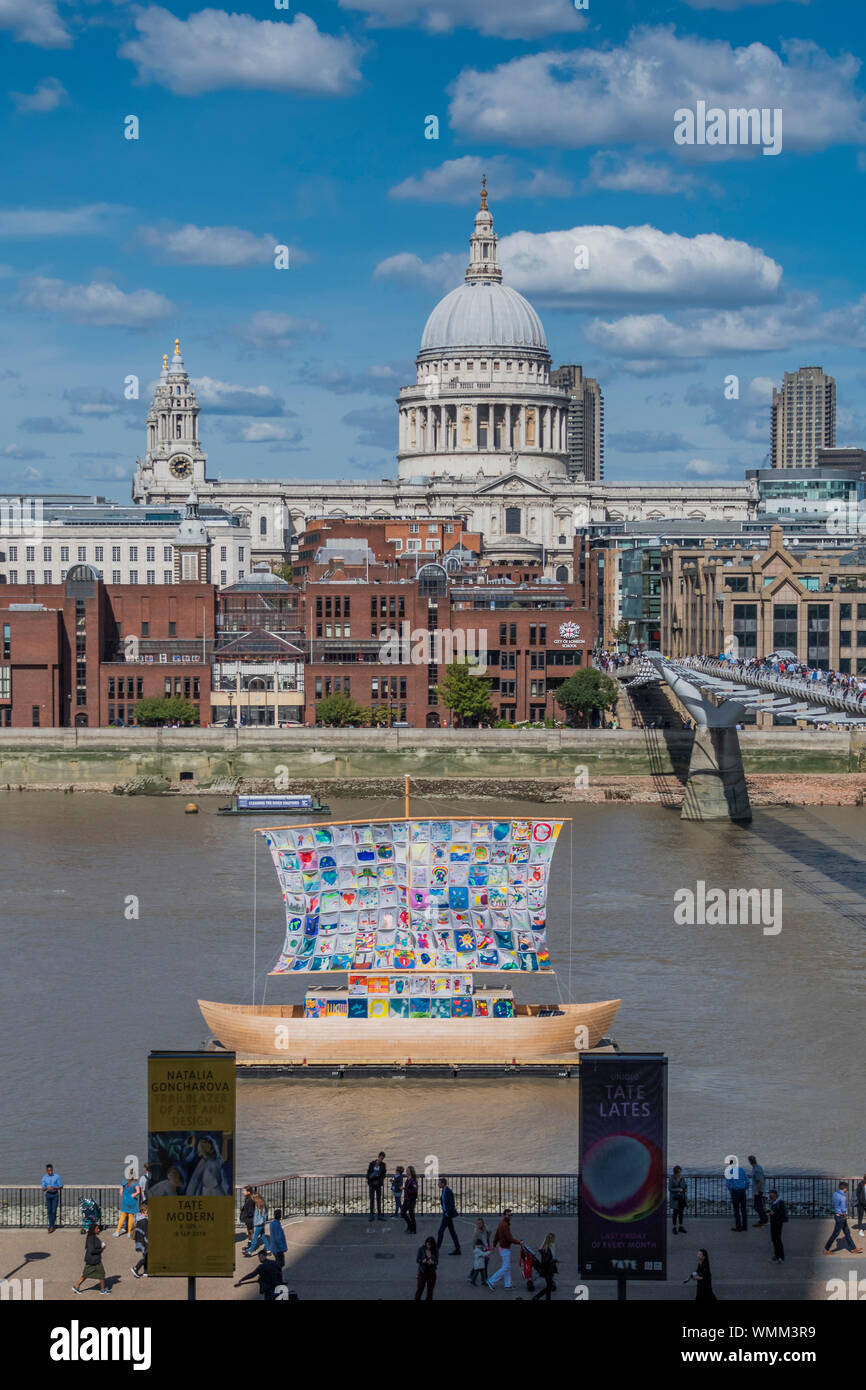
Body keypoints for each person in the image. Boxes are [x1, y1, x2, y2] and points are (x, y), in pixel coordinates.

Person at [824, 1182, 863, 1256]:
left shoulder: (835, 1194)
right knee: (835, 1234)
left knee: (847, 1233)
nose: (847, 1189)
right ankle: (826, 1249)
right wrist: (845, 1216)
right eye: (847, 1188)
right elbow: (843, 1209)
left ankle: (853, 1248)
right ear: (844, 1188)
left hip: (837, 1215)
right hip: (841, 1217)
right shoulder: (843, 1197)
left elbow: (837, 1205)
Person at [72, 1222, 109, 1295]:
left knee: (89, 1274)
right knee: (99, 1274)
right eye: (97, 1228)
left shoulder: (92, 1237)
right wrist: (102, 1249)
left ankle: (77, 1286)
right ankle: (102, 1290)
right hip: (93, 1260)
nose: (98, 1230)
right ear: (93, 1230)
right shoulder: (91, 1238)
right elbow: (92, 1250)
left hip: (94, 1260)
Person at [487, 1208, 520, 1290]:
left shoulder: (502, 1223)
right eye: (509, 1215)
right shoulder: (505, 1225)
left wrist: (494, 1245)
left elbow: (497, 1235)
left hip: (502, 1247)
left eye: (511, 1215)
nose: (510, 1216)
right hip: (505, 1248)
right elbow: (509, 1238)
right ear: (505, 1215)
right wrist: (519, 1242)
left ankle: (508, 1284)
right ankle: (491, 1280)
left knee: (507, 1267)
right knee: (506, 1267)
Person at [435, 1176, 461, 1255]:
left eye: (439, 1183)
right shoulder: (444, 1190)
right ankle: (457, 1249)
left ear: (443, 1183)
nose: (438, 1184)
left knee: (441, 1231)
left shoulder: (448, 1191)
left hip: (447, 1215)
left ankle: (436, 1249)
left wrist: (447, 1213)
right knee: (452, 1232)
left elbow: (452, 1204)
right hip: (446, 1214)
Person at [530, 1233, 558, 1301]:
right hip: (548, 1271)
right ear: (551, 1239)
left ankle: (537, 1297)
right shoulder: (548, 1249)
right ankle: (536, 1297)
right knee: (549, 1287)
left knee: (549, 1287)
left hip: (548, 1270)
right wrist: (553, 1261)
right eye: (554, 1238)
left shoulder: (545, 1247)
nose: (555, 1240)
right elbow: (546, 1261)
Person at [725, 1161, 749, 1232]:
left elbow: (728, 1183)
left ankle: (738, 1227)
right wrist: (745, 1188)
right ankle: (745, 1227)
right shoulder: (741, 1169)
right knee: (744, 1209)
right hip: (742, 1191)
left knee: (736, 1210)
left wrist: (730, 1190)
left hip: (735, 1191)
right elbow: (747, 1181)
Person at [42, 1163, 62, 1233]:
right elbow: (43, 1188)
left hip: (55, 1194)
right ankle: (51, 1226)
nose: (50, 1172)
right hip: (48, 1194)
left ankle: (52, 1226)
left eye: (51, 1170)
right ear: (46, 1171)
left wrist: (54, 1187)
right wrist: (47, 1188)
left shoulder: (57, 1176)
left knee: (54, 1211)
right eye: (48, 1171)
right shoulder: (44, 1177)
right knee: (49, 1211)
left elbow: (61, 1186)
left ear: (52, 1170)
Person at [366, 1152, 387, 1221]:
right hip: (372, 1184)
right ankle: (371, 1215)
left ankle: (379, 1215)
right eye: (381, 1158)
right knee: (371, 1199)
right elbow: (368, 1173)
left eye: (383, 1158)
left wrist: (380, 1180)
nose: (381, 1159)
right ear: (378, 1157)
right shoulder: (372, 1164)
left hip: (378, 1184)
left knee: (378, 1200)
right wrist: (371, 1177)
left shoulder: (383, 1165)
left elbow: (384, 1174)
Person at [768, 1190, 787, 1263]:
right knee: (774, 1239)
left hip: (778, 1222)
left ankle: (781, 1257)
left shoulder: (780, 1202)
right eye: (770, 1196)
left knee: (777, 1239)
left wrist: (773, 1213)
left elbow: (782, 1213)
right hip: (773, 1222)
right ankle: (776, 1255)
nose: (770, 1198)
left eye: (771, 1196)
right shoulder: (775, 1202)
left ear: (775, 1196)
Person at [748, 1155, 768, 1227]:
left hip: (759, 1191)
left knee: (757, 1206)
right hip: (759, 1190)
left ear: (750, 1161)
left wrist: (757, 1191)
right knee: (758, 1206)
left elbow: (761, 1181)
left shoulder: (756, 1169)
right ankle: (763, 1219)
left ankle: (763, 1220)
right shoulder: (757, 1167)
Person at [130, 1204, 148, 1279]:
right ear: (143, 1211)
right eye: (147, 1211)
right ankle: (136, 1268)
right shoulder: (144, 1221)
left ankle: (146, 1271)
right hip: (144, 1241)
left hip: (140, 1241)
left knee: (146, 1255)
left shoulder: (139, 1219)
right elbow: (147, 1233)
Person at [669, 1166, 687, 1234]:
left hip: (682, 1197)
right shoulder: (671, 1178)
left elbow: (684, 1185)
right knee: (675, 1213)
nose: (680, 1173)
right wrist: (679, 1189)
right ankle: (674, 1228)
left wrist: (685, 1187)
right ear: (675, 1172)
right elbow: (670, 1189)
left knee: (681, 1213)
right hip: (675, 1198)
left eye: (680, 1172)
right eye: (679, 1172)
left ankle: (680, 1227)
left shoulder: (682, 1178)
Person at [269, 1207, 288, 1274]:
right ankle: (277, 1277)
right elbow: (278, 1238)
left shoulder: (272, 1224)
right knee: (280, 1263)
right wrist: (281, 1247)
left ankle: (277, 1276)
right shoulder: (277, 1225)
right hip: (278, 1249)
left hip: (274, 1248)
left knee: (279, 1263)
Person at [401, 1165, 418, 1234]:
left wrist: (405, 1188)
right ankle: (410, 1225)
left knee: (411, 1215)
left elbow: (414, 1191)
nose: (406, 1172)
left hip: (411, 1200)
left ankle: (413, 1229)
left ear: (411, 1172)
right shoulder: (408, 1179)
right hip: (406, 1199)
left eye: (407, 1171)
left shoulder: (413, 1181)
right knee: (403, 1213)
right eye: (406, 1170)